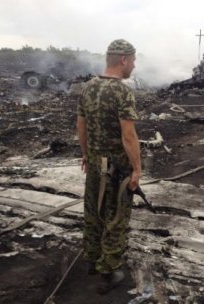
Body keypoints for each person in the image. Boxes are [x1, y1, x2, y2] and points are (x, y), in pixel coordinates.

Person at [76, 39, 141, 294]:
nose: (134, 66)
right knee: (115, 217)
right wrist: (137, 169)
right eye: (133, 61)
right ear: (123, 60)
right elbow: (128, 136)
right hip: (116, 169)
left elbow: (80, 126)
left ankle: (92, 259)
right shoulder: (123, 92)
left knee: (93, 212)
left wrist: (85, 154)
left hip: (93, 163)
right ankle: (110, 269)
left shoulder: (88, 87)